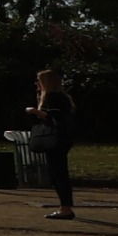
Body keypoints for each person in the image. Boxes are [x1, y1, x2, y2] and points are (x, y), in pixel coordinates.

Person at [29, 68, 77, 221]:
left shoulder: (52, 96)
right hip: (64, 137)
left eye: (39, 80)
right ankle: (65, 206)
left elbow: (52, 116)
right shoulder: (61, 96)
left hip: (57, 138)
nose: (36, 83)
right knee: (58, 171)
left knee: (58, 172)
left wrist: (34, 111)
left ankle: (65, 208)